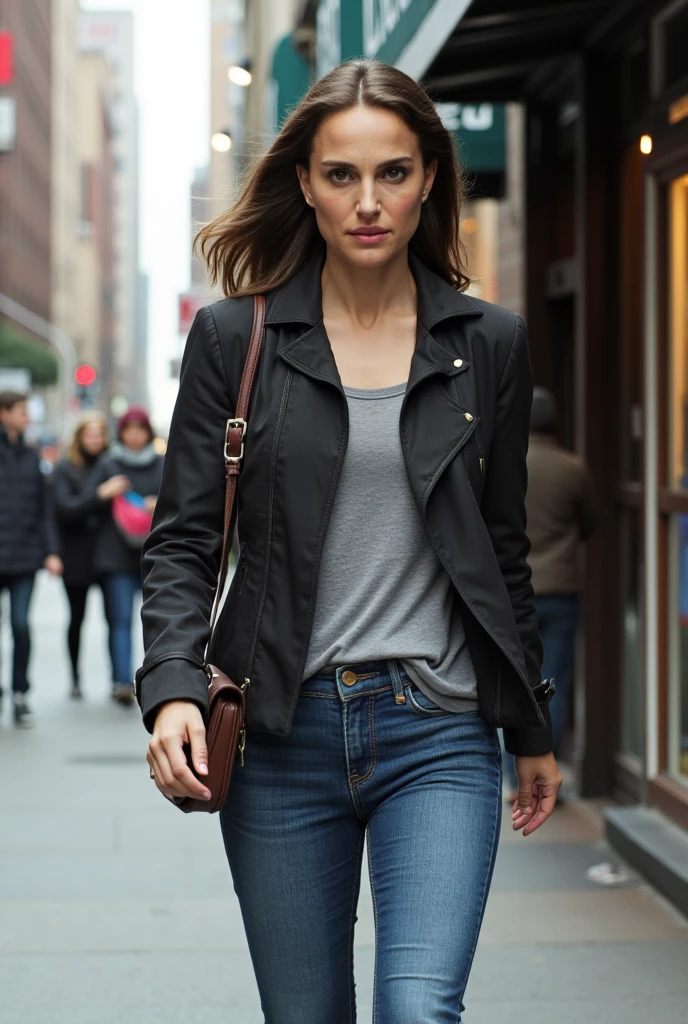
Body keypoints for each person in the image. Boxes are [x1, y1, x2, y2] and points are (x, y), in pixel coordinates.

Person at [137, 60, 561, 1023]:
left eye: (394, 173)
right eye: (341, 175)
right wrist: (169, 690)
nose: (368, 202)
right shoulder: (234, 340)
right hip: (283, 732)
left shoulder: (487, 343)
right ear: (306, 183)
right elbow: (183, 543)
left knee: (419, 1009)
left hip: (440, 728)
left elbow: (502, 551)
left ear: (430, 180)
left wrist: (530, 727)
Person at [503, 387, 597, 803]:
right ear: (555, 423)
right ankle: (546, 775)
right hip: (560, 588)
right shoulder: (572, 468)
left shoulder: (508, 464)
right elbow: (591, 522)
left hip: (512, 591)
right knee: (550, 683)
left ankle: (512, 781)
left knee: (514, 683)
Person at [53, 412, 128, 699]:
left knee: (115, 619)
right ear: (79, 437)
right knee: (77, 619)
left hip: (110, 554)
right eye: (90, 434)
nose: (96, 440)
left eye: (100, 434)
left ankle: (117, 680)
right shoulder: (65, 468)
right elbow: (65, 509)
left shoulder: (113, 465)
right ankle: (74, 677)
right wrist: (99, 494)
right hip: (76, 555)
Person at [0, 391, 63, 725]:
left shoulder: (32, 455)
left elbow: (45, 510)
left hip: (24, 557)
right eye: (22, 410)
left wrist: (51, 551)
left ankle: (20, 692)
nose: (28, 416)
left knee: (21, 625)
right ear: (3, 413)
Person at [93, 405, 163, 705]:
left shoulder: (163, 464)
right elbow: (82, 505)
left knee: (157, 621)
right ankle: (122, 681)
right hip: (116, 556)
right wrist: (102, 492)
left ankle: (156, 680)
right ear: (121, 433)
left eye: (140, 429)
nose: (134, 436)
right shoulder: (108, 464)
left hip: (154, 555)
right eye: (129, 429)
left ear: (148, 432)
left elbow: (181, 501)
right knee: (120, 619)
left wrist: (158, 503)